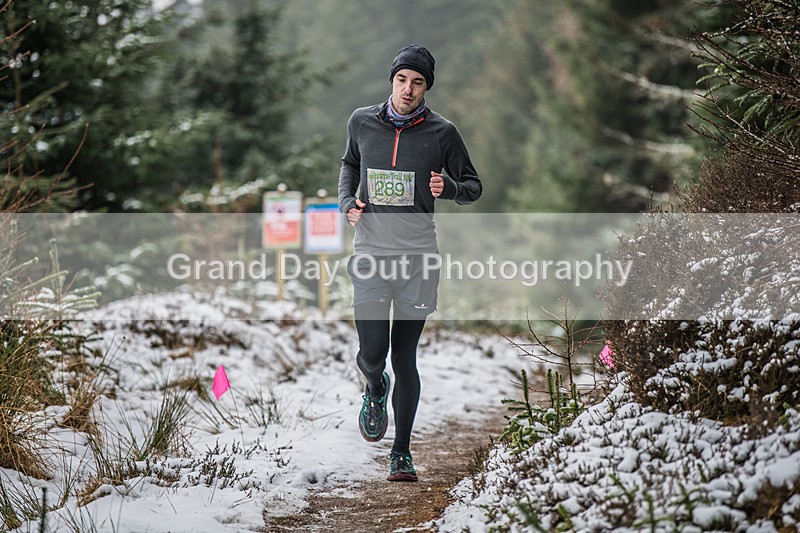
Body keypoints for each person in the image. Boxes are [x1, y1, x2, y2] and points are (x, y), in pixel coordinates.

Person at [338, 44, 482, 482]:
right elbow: (349, 164)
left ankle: (400, 453)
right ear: (392, 81)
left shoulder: (443, 133)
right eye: (402, 80)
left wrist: (449, 186)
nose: (408, 89)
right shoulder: (362, 121)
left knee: (405, 356)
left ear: (426, 88)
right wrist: (347, 203)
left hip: (418, 259)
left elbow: (474, 187)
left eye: (417, 82)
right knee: (372, 352)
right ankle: (374, 385)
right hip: (371, 255)